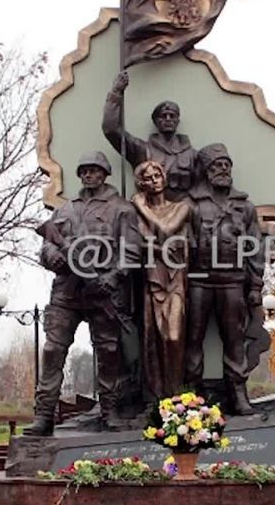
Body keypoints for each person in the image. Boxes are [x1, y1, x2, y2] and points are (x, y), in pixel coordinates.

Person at [27, 151, 141, 436]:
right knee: (52, 350)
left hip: (103, 292)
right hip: (67, 291)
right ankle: (44, 415)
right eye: (84, 171)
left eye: (94, 170)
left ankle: (109, 411)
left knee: (109, 353)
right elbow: (48, 245)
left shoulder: (121, 209)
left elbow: (131, 251)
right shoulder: (65, 209)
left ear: (104, 173)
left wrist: (112, 278)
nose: (88, 175)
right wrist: (53, 257)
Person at [185, 143, 264, 415]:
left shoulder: (245, 207)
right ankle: (191, 394)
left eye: (226, 165)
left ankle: (238, 393)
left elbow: (255, 249)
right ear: (206, 171)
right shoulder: (192, 205)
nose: (222, 169)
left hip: (233, 281)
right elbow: (181, 246)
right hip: (198, 281)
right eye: (216, 165)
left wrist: (255, 286)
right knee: (192, 339)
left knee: (234, 340)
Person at [132, 160, 191, 399]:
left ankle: (176, 396)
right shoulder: (134, 217)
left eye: (157, 175)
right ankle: (159, 398)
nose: (154, 181)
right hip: (151, 277)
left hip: (175, 278)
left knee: (173, 336)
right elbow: (138, 244)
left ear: (164, 178)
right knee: (152, 339)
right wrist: (161, 247)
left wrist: (141, 208)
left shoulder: (181, 207)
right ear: (141, 184)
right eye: (147, 178)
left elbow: (167, 231)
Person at [102, 71, 200, 200]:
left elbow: (201, 186)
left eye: (172, 116)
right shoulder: (142, 150)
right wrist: (116, 94)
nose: (168, 119)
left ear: (177, 121)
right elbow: (111, 129)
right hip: (149, 209)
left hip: (184, 209)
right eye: (163, 116)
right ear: (155, 121)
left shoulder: (192, 155)